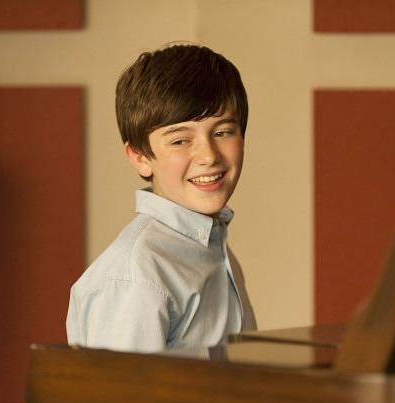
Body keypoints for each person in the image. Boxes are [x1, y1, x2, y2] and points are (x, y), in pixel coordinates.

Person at [66, 44, 257, 353]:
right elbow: (122, 386)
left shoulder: (212, 244)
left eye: (222, 132)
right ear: (140, 157)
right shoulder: (137, 276)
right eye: (180, 140)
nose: (209, 155)